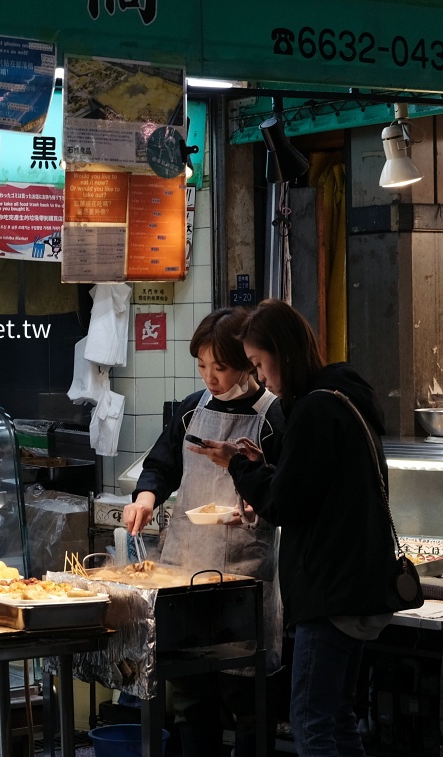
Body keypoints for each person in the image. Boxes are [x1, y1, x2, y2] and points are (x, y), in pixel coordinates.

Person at [189, 299, 397, 757]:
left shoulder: (314, 410)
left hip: (331, 590)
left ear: (282, 354)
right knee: (340, 718)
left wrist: (238, 468)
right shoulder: (344, 394)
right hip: (360, 582)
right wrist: (264, 466)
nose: (261, 377)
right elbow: (309, 485)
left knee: (311, 721)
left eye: (260, 364)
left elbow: (285, 503)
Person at [122, 307, 285, 757]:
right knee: (193, 699)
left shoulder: (273, 416)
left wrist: (255, 503)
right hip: (186, 574)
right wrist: (145, 498)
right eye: (202, 367)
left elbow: (283, 492)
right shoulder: (193, 410)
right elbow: (160, 465)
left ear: (248, 363)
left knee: (247, 701)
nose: (210, 377)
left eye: (221, 367)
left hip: (243, 575)